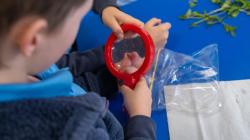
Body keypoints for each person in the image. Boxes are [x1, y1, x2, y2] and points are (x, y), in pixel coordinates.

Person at [0, 0, 171, 140]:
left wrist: (113, 76)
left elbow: (67, 86)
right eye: (78, 19)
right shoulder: (75, 129)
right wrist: (140, 118)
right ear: (33, 39)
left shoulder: (20, 67)